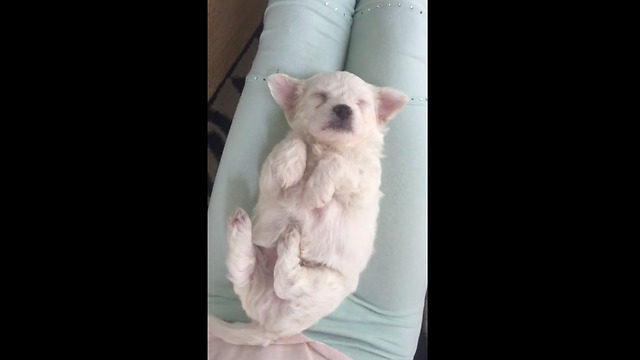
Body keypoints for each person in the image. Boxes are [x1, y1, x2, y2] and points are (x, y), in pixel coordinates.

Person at [208, 1, 426, 358]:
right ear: (293, 103)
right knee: (402, 24)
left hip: (230, 308)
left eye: (360, 105)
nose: (342, 108)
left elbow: (272, 187)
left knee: (302, 15)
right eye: (322, 99)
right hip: (367, 337)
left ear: (380, 114)